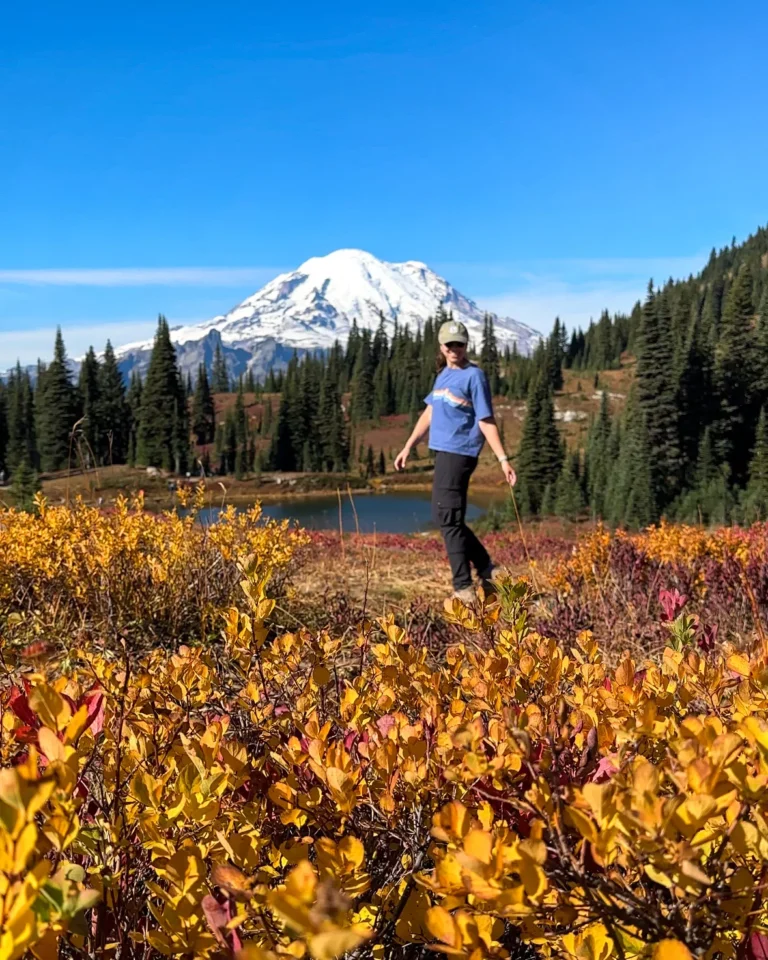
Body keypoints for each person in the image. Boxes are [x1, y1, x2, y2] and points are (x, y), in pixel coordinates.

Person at [394, 319, 516, 603]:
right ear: (441, 346)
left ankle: (464, 588)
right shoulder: (443, 377)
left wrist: (503, 459)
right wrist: (408, 446)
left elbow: (486, 420)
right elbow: (429, 413)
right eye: (450, 345)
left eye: (459, 344)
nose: (454, 349)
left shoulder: (474, 376)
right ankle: (488, 568)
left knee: (447, 518)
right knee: (447, 517)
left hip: (460, 453)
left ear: (466, 345)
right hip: (444, 452)